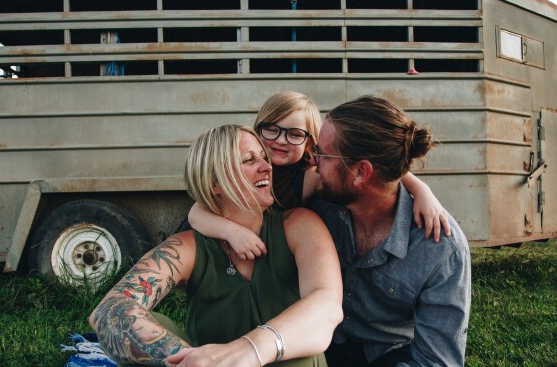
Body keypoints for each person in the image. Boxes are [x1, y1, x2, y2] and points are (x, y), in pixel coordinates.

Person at [89, 124, 349, 367]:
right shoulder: (190, 247)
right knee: (145, 336)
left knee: (294, 349)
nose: (266, 167)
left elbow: (326, 306)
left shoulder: (298, 225)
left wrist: (242, 356)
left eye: (264, 158)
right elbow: (110, 311)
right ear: (215, 184)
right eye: (249, 160)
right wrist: (200, 366)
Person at [281, 95, 471, 367]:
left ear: (361, 172)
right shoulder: (320, 202)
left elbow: (437, 363)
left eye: (322, 153)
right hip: (320, 346)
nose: (312, 160)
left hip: (388, 357)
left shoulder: (440, 247)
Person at [188, 92, 450, 263]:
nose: (280, 140)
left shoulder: (312, 174)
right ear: (258, 128)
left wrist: (421, 189)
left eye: (294, 134)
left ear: (311, 142)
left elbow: (378, 167)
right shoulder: (243, 165)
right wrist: (231, 231)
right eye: (271, 129)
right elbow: (197, 212)